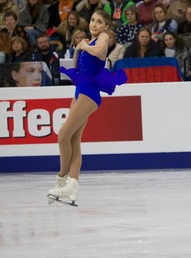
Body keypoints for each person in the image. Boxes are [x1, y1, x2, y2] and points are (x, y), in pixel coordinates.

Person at [48, 9, 127, 204]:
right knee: (73, 140)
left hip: (89, 93)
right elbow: (76, 67)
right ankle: (72, 186)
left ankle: (62, 179)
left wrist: (83, 45)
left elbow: (99, 52)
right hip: (80, 90)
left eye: (99, 22)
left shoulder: (103, 37)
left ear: (106, 26)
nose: (94, 24)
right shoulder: (90, 42)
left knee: (63, 135)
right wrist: (77, 48)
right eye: (92, 20)